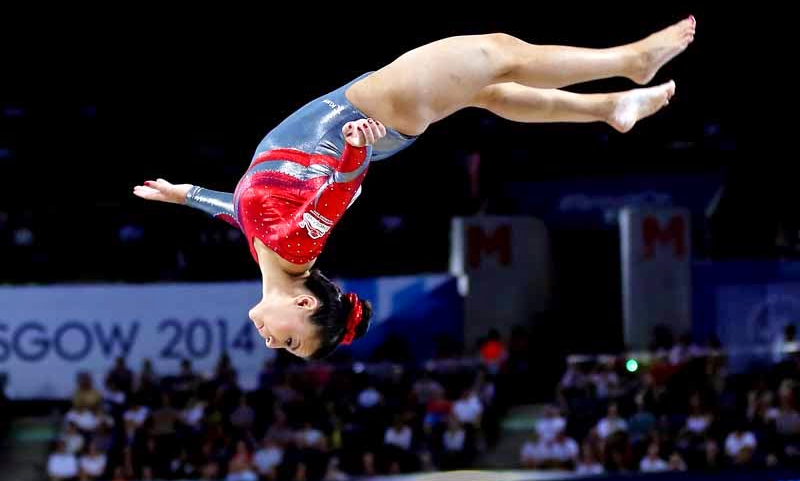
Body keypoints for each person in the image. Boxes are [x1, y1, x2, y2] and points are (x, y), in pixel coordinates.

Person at [135, 19, 695, 359]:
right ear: (305, 305)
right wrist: (355, 148)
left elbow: (241, 213)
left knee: (491, 91)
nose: (270, 341)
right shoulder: (296, 251)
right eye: (289, 340)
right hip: (365, 112)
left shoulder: (273, 253)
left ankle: (610, 107)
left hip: (368, 119)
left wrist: (186, 195)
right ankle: (630, 61)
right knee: (500, 53)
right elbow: (336, 195)